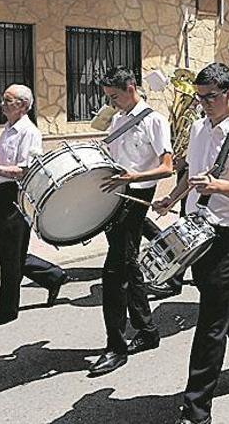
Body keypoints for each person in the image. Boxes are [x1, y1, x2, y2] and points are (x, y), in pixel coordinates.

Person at [153, 63, 229, 424]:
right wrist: (171, 198)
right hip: (198, 228)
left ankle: (196, 409)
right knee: (219, 303)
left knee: (210, 322)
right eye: (199, 96)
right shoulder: (197, 128)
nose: (203, 103)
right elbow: (192, 173)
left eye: (211, 97)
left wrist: (221, 187)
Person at [90, 66, 174, 377]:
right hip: (115, 199)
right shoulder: (117, 118)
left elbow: (167, 167)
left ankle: (116, 346)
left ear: (130, 87)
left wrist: (134, 176)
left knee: (113, 274)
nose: (112, 103)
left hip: (135, 201)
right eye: (108, 98)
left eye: (115, 97)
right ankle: (147, 330)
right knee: (128, 266)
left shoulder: (153, 120)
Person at [0, 84, 68, 328]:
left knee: (9, 256)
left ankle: (7, 309)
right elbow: (2, 163)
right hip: (0, 193)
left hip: (15, 195)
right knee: (7, 252)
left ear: (22, 105)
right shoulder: (9, 129)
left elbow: (24, 170)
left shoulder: (29, 132)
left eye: (7, 100)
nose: (2, 104)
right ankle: (52, 275)